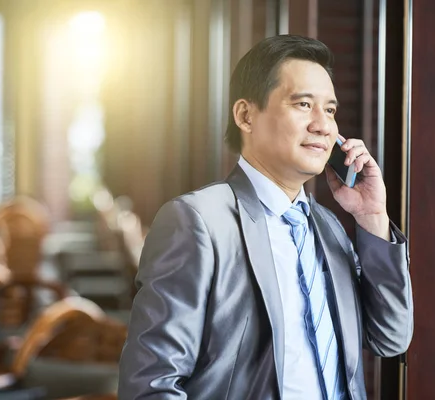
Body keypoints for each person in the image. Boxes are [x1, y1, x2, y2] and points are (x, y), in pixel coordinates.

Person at [118, 34, 413, 400]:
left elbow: (391, 337)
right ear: (245, 115)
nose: (323, 125)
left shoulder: (329, 229)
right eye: (304, 104)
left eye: (331, 110)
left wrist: (373, 217)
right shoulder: (197, 222)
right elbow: (150, 384)